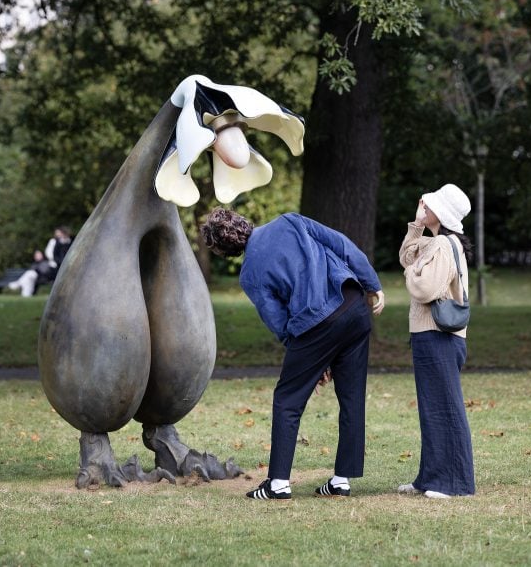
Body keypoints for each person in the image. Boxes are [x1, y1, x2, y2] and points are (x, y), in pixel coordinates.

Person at [201, 208, 385, 500]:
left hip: (315, 326)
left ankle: (278, 483)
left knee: (287, 401)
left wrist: (309, 356)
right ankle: (341, 480)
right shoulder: (289, 220)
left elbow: (279, 322)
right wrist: (372, 283)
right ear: (241, 221)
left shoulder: (250, 274)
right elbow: (340, 243)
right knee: (352, 398)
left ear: (224, 250)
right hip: (353, 305)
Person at [398, 183, 476, 499]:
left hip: (439, 336)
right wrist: (417, 225)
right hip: (431, 336)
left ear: (441, 213)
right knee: (432, 410)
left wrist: (411, 274)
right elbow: (406, 257)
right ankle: (430, 478)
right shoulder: (435, 242)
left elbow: (425, 288)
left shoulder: (443, 245)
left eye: (428, 206)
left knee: (446, 409)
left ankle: (454, 483)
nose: (424, 207)